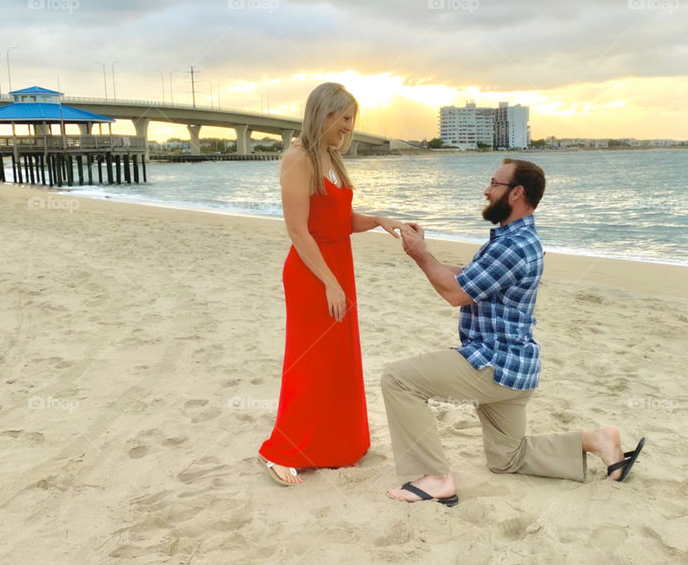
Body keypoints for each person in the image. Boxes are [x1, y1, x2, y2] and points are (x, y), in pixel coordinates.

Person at [381, 159, 644, 506]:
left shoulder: (513, 246)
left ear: (517, 193)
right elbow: (466, 277)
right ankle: (597, 440)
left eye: (494, 184)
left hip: (494, 363)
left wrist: (420, 255)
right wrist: (422, 252)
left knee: (398, 379)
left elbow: (455, 293)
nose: (486, 191)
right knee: (507, 459)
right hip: (515, 371)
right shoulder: (516, 239)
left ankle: (435, 477)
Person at [259, 83, 405, 486]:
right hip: (313, 272)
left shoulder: (332, 159)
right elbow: (298, 231)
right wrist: (329, 282)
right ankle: (283, 452)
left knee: (337, 362)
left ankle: (336, 445)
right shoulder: (297, 158)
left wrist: (379, 220)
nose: (348, 127)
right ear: (323, 114)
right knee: (309, 363)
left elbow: (340, 222)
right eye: (343, 118)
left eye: (350, 119)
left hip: (338, 268)